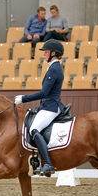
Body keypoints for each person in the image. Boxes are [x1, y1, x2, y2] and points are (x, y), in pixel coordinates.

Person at [14, 39, 65, 176]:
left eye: (46, 52)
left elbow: (44, 93)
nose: (44, 55)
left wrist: (23, 99)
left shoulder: (54, 68)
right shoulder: (53, 67)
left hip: (51, 106)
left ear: (54, 53)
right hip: (48, 105)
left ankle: (48, 164)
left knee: (34, 129)